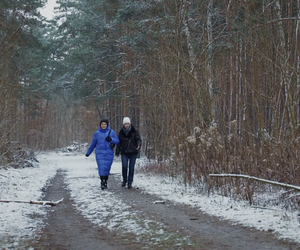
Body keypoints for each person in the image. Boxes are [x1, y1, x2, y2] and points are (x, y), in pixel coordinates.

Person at [85, 118, 119, 190]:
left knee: (107, 168)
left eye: (105, 124)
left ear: (107, 125)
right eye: (102, 124)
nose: (103, 125)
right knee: (101, 167)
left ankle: (105, 180)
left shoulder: (111, 132)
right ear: (100, 125)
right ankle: (102, 182)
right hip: (99, 153)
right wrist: (88, 152)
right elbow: (93, 144)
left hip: (109, 153)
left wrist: (111, 139)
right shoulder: (97, 133)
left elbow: (117, 141)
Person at [115, 117, 142, 189]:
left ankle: (130, 182)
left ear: (130, 124)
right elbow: (119, 143)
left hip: (133, 152)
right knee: (124, 166)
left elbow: (138, 139)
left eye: (127, 124)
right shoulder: (121, 132)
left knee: (131, 167)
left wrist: (139, 145)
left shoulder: (134, 131)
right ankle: (124, 180)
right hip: (124, 152)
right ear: (123, 124)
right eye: (125, 124)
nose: (126, 125)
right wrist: (117, 152)